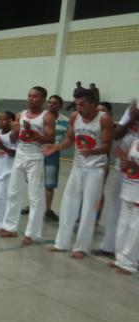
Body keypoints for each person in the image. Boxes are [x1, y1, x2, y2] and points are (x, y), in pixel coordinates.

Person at [44, 88, 113, 258]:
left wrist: (92, 152)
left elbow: (107, 146)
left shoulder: (104, 119)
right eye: (76, 104)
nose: (78, 108)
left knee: (89, 208)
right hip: (78, 166)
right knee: (68, 204)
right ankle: (61, 242)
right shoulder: (75, 116)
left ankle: (81, 247)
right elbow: (69, 139)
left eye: (82, 104)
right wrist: (56, 147)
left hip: (96, 169)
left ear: (92, 102)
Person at [0, 86, 56, 245]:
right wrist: (15, 131)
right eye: (29, 95)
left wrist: (34, 134)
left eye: (35, 96)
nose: (31, 98)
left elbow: (51, 140)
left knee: (35, 197)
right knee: (13, 192)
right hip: (20, 155)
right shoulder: (20, 114)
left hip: (36, 157)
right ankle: (9, 227)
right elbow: (13, 140)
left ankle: (32, 233)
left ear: (43, 99)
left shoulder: (47, 116)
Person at [95, 102, 139, 257]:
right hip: (123, 169)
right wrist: (131, 119)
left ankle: (132, 255)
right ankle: (109, 246)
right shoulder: (132, 110)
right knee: (116, 209)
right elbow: (116, 135)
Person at [112, 136, 139, 274]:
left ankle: (130, 263)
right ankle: (120, 258)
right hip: (129, 187)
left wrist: (136, 166)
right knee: (123, 224)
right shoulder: (135, 142)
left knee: (136, 228)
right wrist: (125, 164)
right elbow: (129, 166)